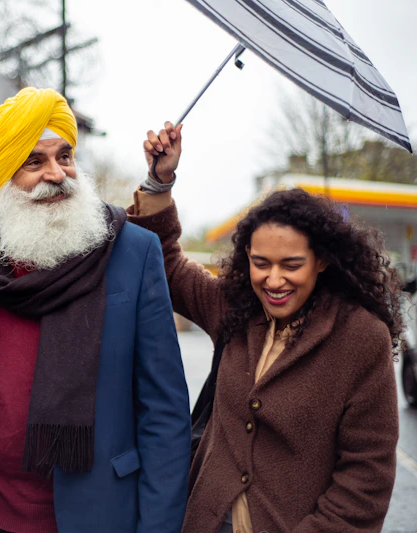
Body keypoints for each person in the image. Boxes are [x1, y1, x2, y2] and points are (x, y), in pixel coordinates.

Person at [0, 88, 191, 533]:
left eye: (65, 157)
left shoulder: (131, 252)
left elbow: (164, 412)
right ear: (3, 175)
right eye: (34, 162)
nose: (57, 174)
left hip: (97, 515)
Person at [130, 121, 401, 532]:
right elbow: (166, 263)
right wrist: (159, 180)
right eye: (261, 264)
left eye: (291, 265)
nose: (274, 280)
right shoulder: (236, 308)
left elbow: (366, 478)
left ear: (322, 260)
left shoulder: (361, 338)